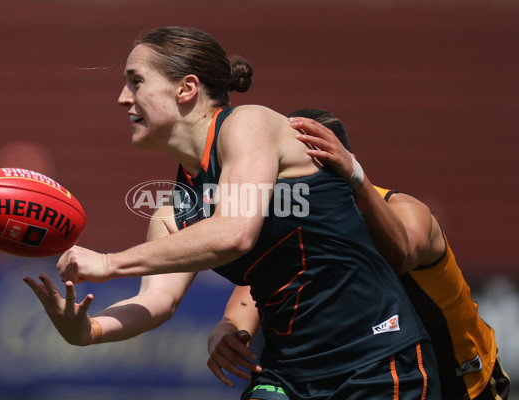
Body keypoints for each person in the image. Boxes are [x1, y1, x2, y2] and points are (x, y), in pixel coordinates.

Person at [24, 26, 441, 399]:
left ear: (187, 88)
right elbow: (157, 301)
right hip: (291, 373)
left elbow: (235, 231)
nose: (122, 98)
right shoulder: (175, 210)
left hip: (374, 364)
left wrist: (110, 262)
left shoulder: (248, 124)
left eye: (136, 82)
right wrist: (89, 331)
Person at [206, 109, 510, 400]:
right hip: (376, 372)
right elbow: (260, 280)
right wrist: (229, 328)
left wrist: (355, 178)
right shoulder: (298, 221)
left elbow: (399, 257)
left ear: (342, 164)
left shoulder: (406, 211)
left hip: (463, 375)